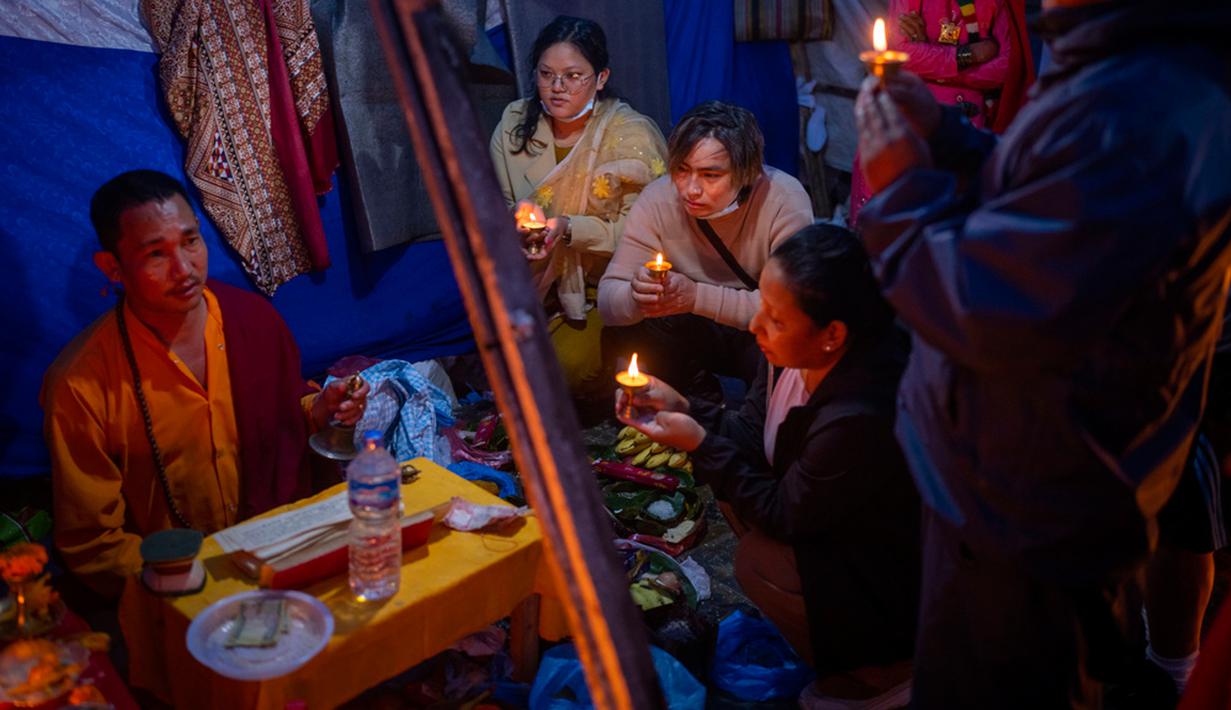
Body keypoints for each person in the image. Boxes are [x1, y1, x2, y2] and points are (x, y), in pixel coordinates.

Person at [853, 0, 1231, 705]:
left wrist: (902, 188)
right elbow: (1053, 199)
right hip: (1014, 490)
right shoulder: (1123, 62)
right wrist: (944, 136)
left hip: (1033, 514)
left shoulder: (1142, 100)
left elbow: (992, 308)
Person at [617, 225, 920, 708]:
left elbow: (784, 514)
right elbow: (752, 437)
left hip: (892, 561)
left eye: (776, 319)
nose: (756, 327)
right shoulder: (790, 358)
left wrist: (698, 441)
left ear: (833, 335)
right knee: (729, 484)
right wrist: (687, 407)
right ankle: (844, 646)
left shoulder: (861, 410)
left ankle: (889, 671)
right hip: (828, 515)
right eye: (761, 305)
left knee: (758, 560)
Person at [42, 170, 369, 599]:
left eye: (191, 242)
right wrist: (198, 583)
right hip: (175, 593)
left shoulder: (253, 321)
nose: (184, 269)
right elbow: (93, 545)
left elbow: (286, 416)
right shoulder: (81, 384)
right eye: (156, 254)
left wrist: (322, 411)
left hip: (283, 559)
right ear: (113, 268)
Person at [489, 15, 666, 397]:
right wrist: (518, 227)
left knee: (559, 374)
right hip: (532, 277)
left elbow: (643, 237)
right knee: (501, 370)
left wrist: (568, 228)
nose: (556, 88)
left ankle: (620, 360)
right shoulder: (515, 123)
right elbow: (499, 204)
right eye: (546, 74)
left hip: (604, 287)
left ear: (601, 78)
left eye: (573, 76)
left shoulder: (629, 137)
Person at [598, 100, 814, 393]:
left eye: (710, 175)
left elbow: (789, 310)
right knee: (635, 332)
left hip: (756, 332)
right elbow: (609, 302)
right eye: (682, 170)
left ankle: (755, 423)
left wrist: (695, 296)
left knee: (785, 350)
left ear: (747, 172)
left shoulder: (783, 198)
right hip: (692, 329)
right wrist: (635, 296)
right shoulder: (659, 198)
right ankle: (690, 410)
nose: (691, 189)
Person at [848, 0, 1033, 225]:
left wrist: (929, 56)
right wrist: (967, 55)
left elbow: (1001, 70)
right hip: (910, 123)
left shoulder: (994, 3)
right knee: (894, 210)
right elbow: (901, 54)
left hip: (969, 132)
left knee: (956, 217)